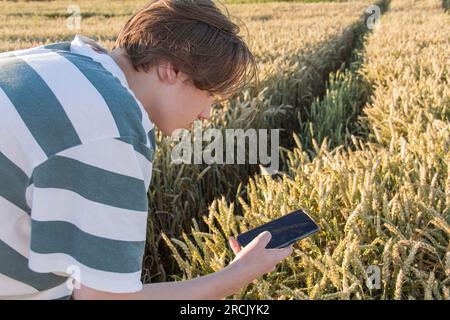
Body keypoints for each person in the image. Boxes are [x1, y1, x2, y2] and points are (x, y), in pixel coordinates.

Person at [0, 0, 293, 300]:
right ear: (172, 69)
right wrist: (237, 276)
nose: (207, 113)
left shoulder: (63, 57)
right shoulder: (112, 130)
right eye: (209, 93)